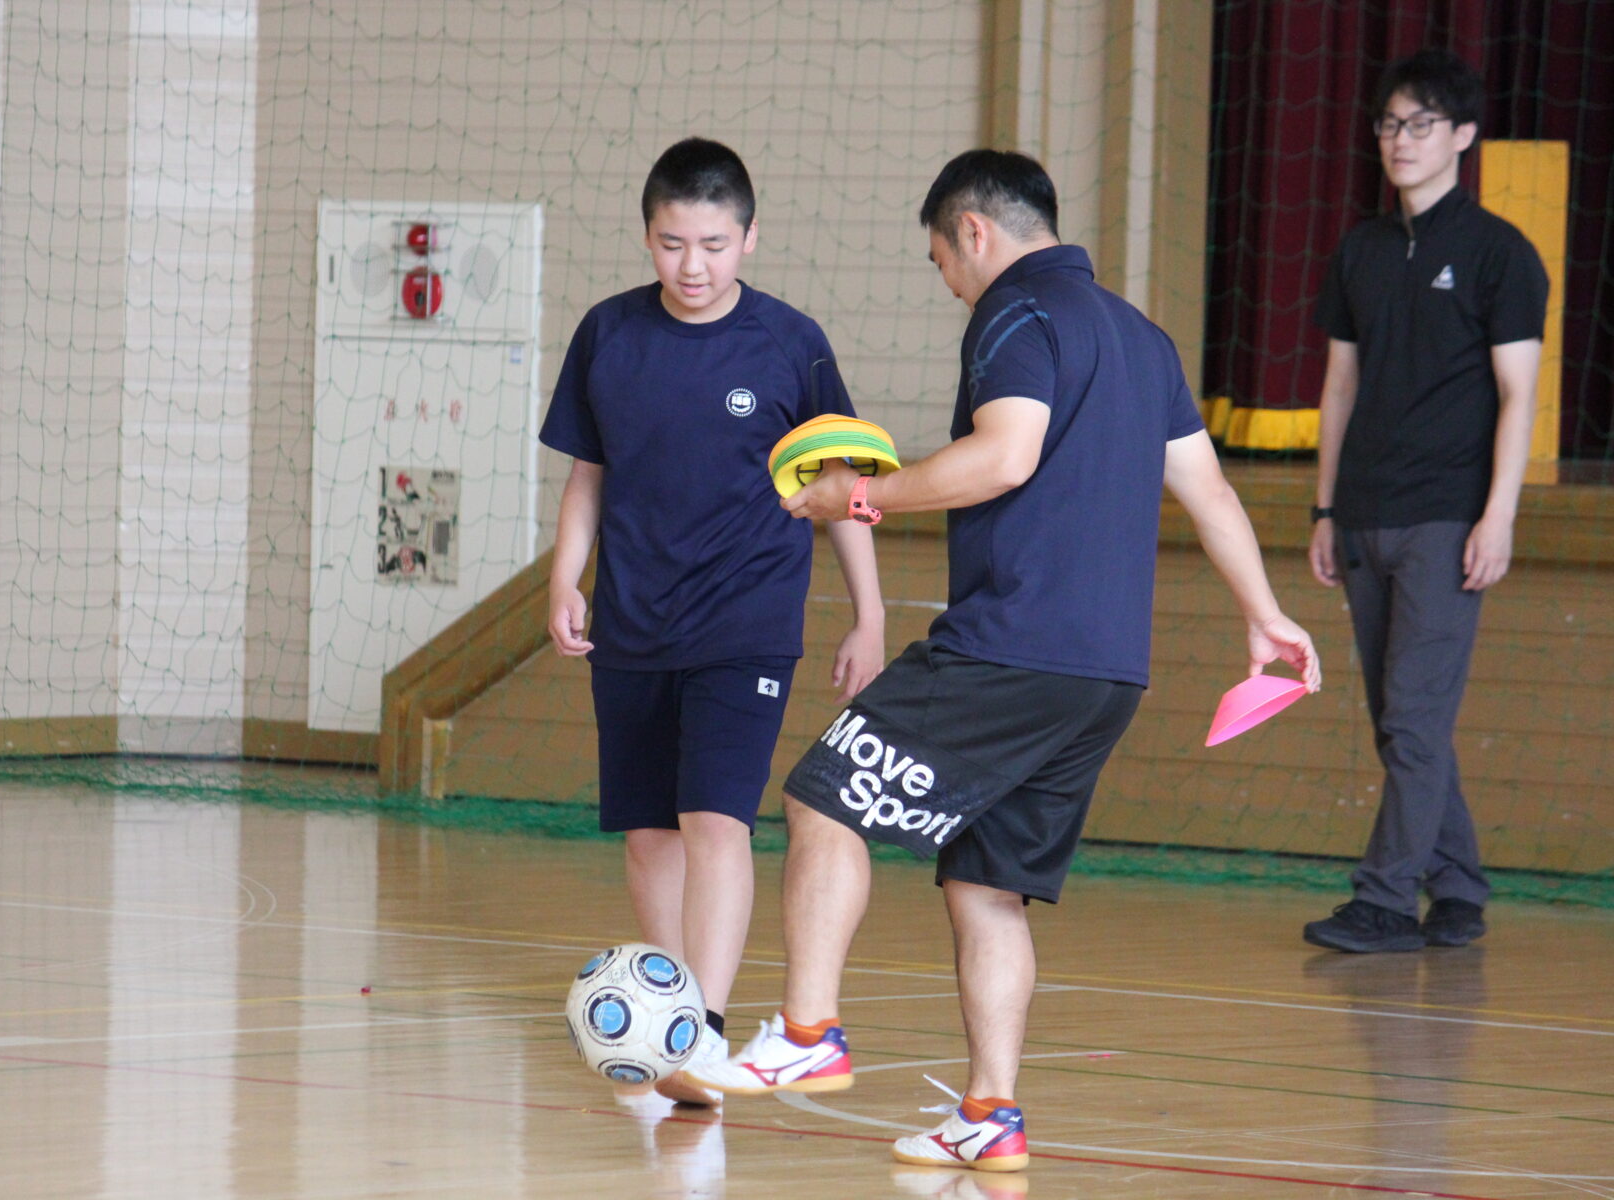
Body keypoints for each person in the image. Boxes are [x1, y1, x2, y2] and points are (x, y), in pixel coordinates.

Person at [684, 148, 1321, 1174]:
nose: (948, 281)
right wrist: (1265, 614)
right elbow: (1210, 494)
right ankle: (990, 1113)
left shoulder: (1017, 316)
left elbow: (1005, 456)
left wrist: (857, 498)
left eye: (941, 260)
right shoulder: (1143, 337)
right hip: (1106, 675)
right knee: (987, 886)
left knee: (822, 799)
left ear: (973, 233)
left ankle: (807, 1034)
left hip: (1013, 646)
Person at [540, 137, 885, 1106]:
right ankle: (669, 1012)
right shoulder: (608, 334)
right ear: (646, 237)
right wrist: (566, 579)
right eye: (671, 243)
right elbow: (587, 474)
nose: (692, 266)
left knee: (714, 821)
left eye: (714, 244)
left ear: (751, 238)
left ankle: (706, 1030)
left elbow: (839, 481)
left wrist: (868, 611)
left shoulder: (791, 342)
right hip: (633, 617)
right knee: (650, 832)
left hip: (747, 619)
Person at [1304, 49, 1547, 954]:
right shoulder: (1362, 248)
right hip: (1365, 512)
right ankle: (1458, 887)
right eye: (1388, 125)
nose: (1399, 141)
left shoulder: (1498, 253)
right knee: (1403, 723)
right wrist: (1326, 511)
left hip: (1450, 516)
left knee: (1411, 717)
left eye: (1420, 125)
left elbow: (1519, 394)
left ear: (1464, 136)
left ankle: (1383, 900)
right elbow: (1338, 386)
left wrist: (1500, 515)